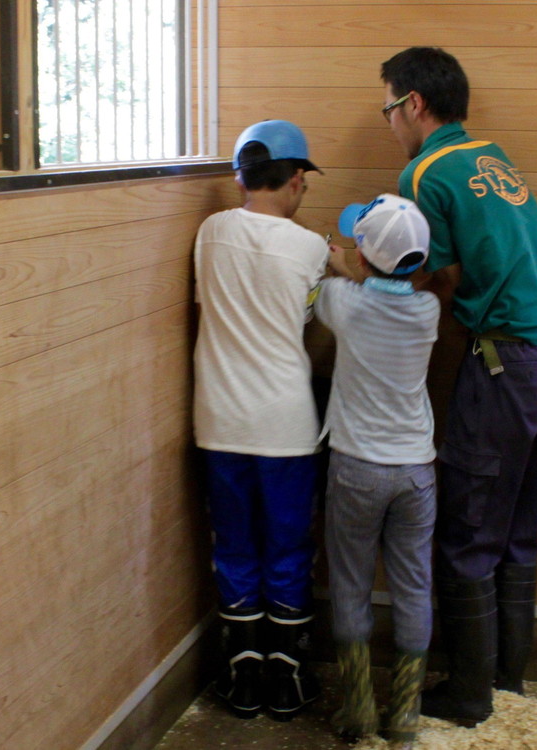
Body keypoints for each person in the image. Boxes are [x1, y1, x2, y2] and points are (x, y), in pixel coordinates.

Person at [380, 46, 537, 726]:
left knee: (467, 529)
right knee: (517, 531)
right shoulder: (491, 155)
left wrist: (353, 272)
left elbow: (425, 275)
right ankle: (507, 684)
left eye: (388, 109)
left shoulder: (425, 170)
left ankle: (468, 696)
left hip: (505, 362)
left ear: (413, 104)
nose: (390, 125)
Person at [192, 119, 327, 721]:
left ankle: (242, 675)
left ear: (241, 176)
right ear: (296, 179)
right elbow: (310, 316)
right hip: (286, 425)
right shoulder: (310, 247)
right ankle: (289, 675)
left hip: (218, 420)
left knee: (235, 545)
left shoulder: (209, 232)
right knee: (289, 546)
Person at [315, 194, 440, 745]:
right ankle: (406, 714)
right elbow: (387, 278)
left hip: (357, 468)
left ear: (363, 260)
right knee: (414, 586)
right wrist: (362, 263)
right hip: (416, 471)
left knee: (349, 584)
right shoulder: (429, 312)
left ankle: (359, 710)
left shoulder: (344, 302)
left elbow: (326, 284)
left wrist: (333, 257)